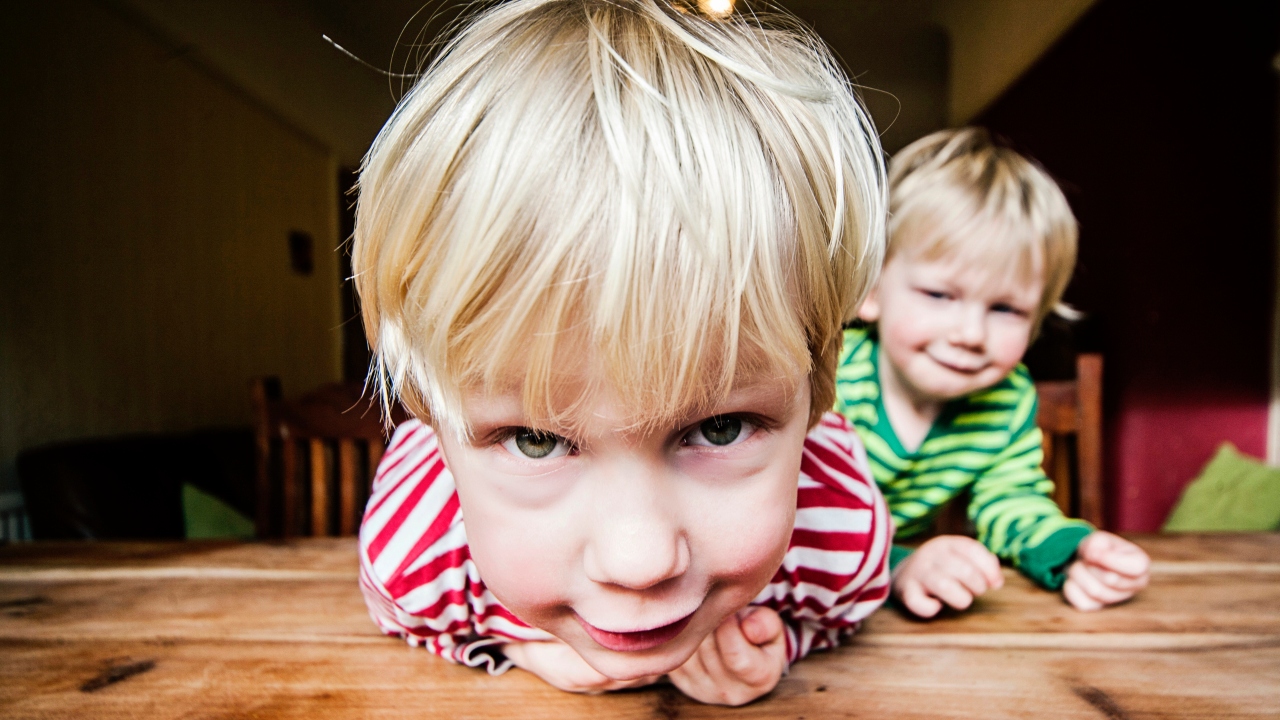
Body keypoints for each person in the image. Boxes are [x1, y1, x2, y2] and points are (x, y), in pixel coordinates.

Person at [351, 0, 891, 706]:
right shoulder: (418, 557)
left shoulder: (837, 535)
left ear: (816, 395)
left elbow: (849, 605)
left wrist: (783, 641)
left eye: (718, 427)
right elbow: (397, 610)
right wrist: (512, 645)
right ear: (431, 420)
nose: (639, 562)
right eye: (537, 439)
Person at [834, 128, 1151, 619]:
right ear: (872, 290)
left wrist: (1072, 552)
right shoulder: (823, 382)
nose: (970, 333)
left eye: (1005, 309)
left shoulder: (1006, 399)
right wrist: (895, 566)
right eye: (940, 296)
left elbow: (1012, 502)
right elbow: (793, 521)